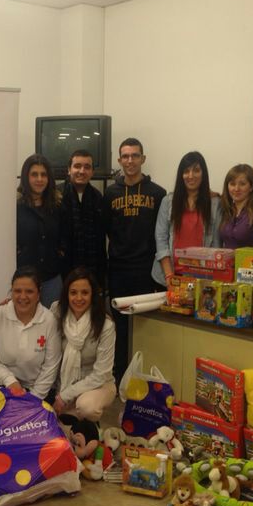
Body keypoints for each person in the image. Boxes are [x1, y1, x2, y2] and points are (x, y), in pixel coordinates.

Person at [102, 137, 166, 384]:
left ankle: (142, 377)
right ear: (119, 161)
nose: (130, 161)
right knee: (119, 326)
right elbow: (106, 229)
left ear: (143, 159)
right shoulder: (110, 193)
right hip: (118, 269)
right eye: (125, 156)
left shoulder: (158, 193)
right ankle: (119, 377)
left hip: (146, 271)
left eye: (135, 156)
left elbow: (162, 231)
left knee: (144, 327)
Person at [0, 266, 61, 399]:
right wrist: (11, 382)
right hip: (3, 387)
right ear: (11, 292)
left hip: (40, 391)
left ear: (38, 293)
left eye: (29, 291)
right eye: (17, 291)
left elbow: (51, 366)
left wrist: (33, 399)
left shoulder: (49, 320)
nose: (23, 297)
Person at [50, 267, 116, 423]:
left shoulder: (105, 324)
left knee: (86, 407)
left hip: (98, 385)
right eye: (73, 292)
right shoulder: (57, 311)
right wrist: (8, 307)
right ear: (66, 294)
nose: (79, 298)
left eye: (85, 293)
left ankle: (85, 420)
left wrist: (64, 397)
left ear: (92, 294)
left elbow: (100, 374)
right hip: (64, 384)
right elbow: (35, 317)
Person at [152, 151, 222, 287]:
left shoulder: (215, 203)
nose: (191, 176)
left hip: (202, 278)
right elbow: (161, 239)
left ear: (203, 174)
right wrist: (169, 276)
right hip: (169, 276)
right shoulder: (168, 202)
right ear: (181, 175)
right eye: (186, 171)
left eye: (196, 170)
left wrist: (209, 280)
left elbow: (216, 245)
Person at [16, 154, 64, 307]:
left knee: (52, 326)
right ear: (26, 177)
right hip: (24, 281)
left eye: (43, 175)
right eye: (34, 174)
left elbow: (64, 237)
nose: (39, 179)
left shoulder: (57, 206)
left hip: (52, 280)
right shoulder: (15, 207)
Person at [58, 149, 106, 286]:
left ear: (92, 172)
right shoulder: (56, 196)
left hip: (92, 270)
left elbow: (101, 241)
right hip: (62, 270)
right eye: (77, 166)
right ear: (69, 169)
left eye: (87, 167)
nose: (82, 171)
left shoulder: (98, 198)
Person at [219, 163, 253, 249]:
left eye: (242, 184)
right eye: (232, 184)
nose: (236, 189)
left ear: (251, 186)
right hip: (227, 262)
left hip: (249, 262)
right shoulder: (227, 211)